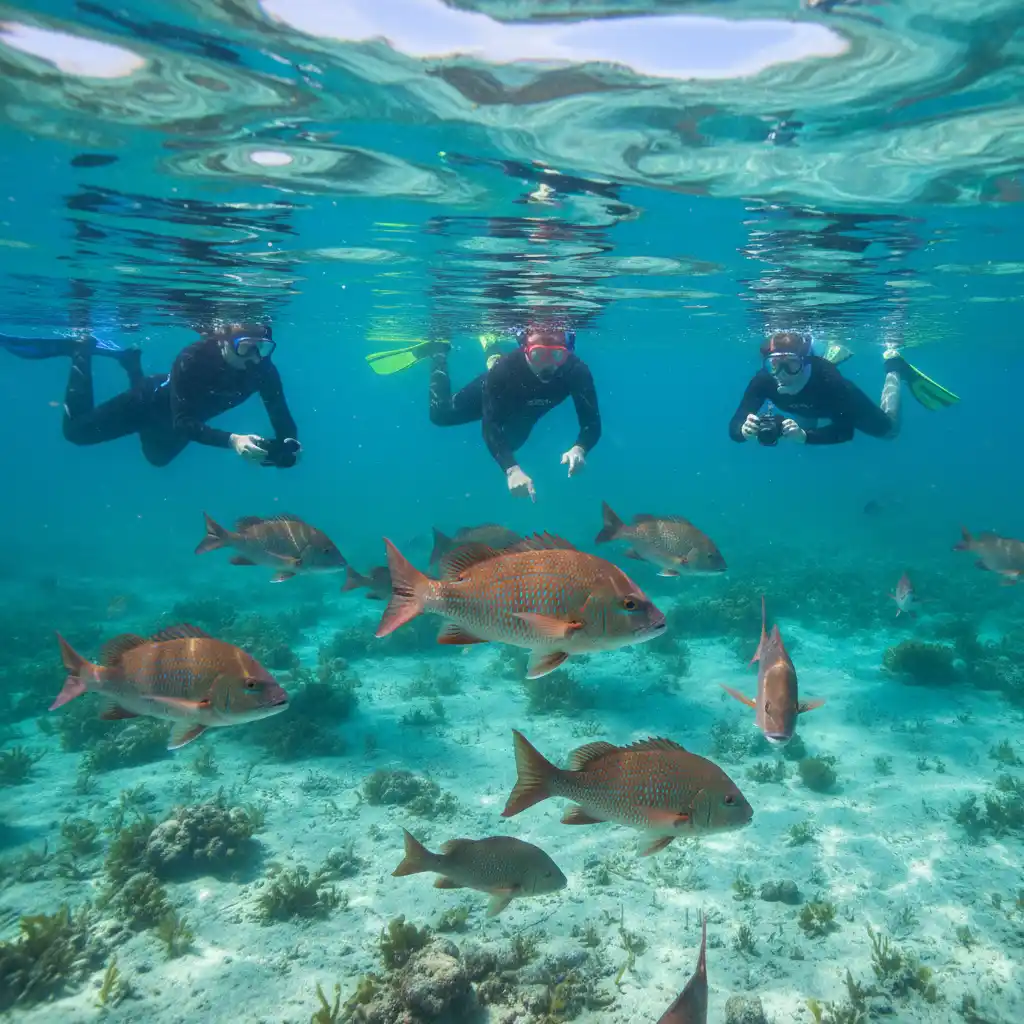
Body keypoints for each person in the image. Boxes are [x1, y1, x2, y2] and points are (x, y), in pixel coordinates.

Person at [0, 323, 300, 467]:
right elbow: (183, 421)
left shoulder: (264, 370)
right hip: (148, 403)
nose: (255, 356)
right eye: (246, 346)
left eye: (263, 347)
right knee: (76, 433)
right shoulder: (193, 358)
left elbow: (281, 415)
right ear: (222, 343)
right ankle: (81, 351)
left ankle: (131, 364)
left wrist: (288, 447)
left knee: (157, 460)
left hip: (179, 420)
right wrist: (233, 440)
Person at [728, 330, 958, 447]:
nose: (782, 375)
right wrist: (743, 432)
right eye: (775, 365)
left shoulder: (829, 381)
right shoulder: (764, 380)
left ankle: (894, 367)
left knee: (890, 432)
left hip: (831, 402)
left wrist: (805, 438)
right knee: (803, 420)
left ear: (805, 362)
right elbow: (735, 424)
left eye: (792, 365)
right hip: (808, 405)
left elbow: (845, 432)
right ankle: (830, 356)